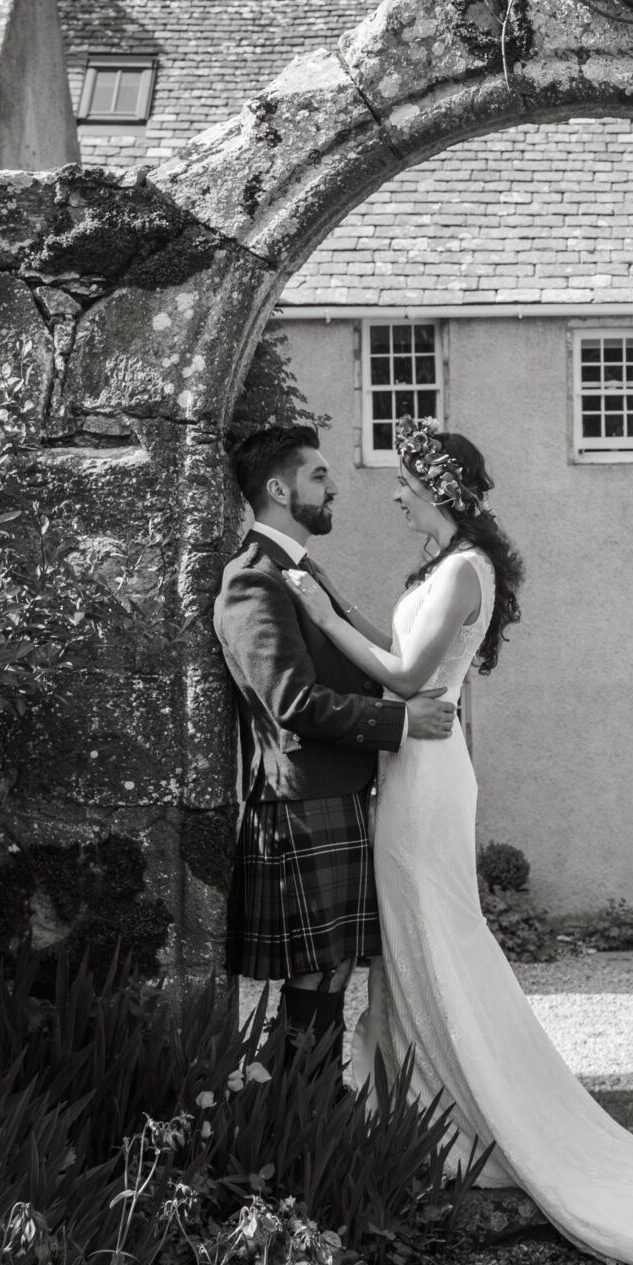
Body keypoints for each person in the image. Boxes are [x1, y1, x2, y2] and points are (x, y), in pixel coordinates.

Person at [281, 416, 633, 1265]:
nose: (395, 494)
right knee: (412, 939)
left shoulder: (465, 570)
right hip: (413, 762)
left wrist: (323, 615)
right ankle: (420, 1114)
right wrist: (336, 610)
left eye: (405, 482)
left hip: (425, 774)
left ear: (437, 488)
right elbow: (403, 656)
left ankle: (473, 1115)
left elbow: (403, 677)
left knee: (436, 936)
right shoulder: (443, 568)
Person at [213, 424, 457, 1064]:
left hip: (337, 792)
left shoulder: (300, 569)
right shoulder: (252, 581)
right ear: (277, 487)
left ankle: (304, 1108)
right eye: (318, 476)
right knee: (317, 972)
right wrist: (400, 724)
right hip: (300, 802)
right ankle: (295, 1110)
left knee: (335, 967)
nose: (334, 486)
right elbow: (292, 702)